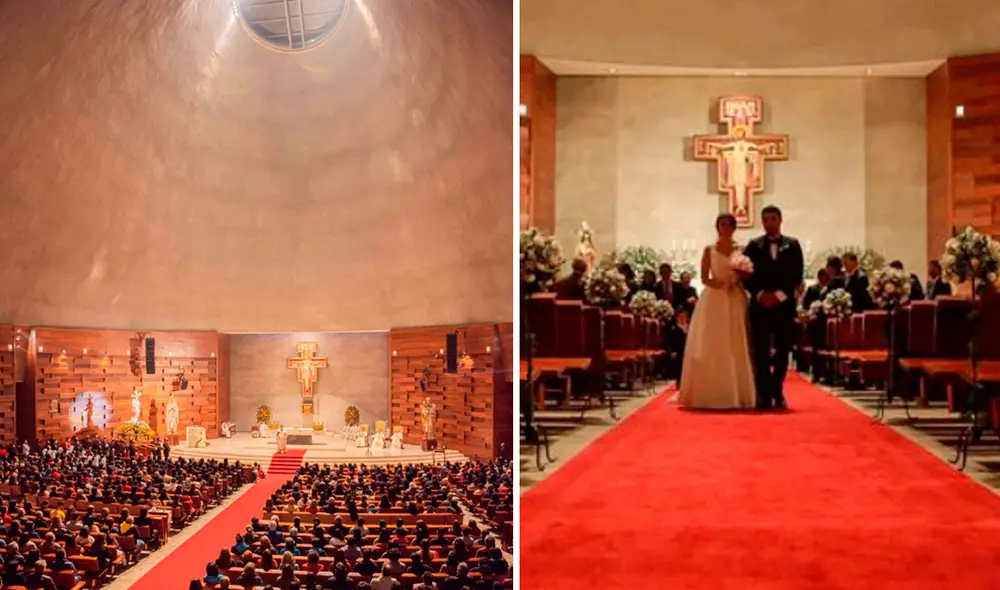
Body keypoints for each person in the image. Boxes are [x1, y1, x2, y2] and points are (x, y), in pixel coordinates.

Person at [676, 213, 756, 409]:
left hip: (735, 297)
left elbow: (747, 275)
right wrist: (719, 284)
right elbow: (704, 277)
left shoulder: (740, 250)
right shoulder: (709, 250)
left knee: (735, 340)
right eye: (722, 224)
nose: (725, 228)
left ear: (734, 228)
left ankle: (737, 391)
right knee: (712, 340)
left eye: (729, 224)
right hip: (714, 297)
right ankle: (708, 392)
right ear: (717, 227)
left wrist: (740, 277)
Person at [743, 205, 805, 409]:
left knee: (782, 350)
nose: (769, 223)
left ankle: (777, 390)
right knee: (760, 350)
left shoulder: (792, 245)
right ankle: (764, 394)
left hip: (783, 306)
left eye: (773, 219)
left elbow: (797, 275)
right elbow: (746, 274)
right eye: (765, 220)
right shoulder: (754, 245)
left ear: (780, 220)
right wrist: (761, 294)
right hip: (760, 306)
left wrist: (778, 296)